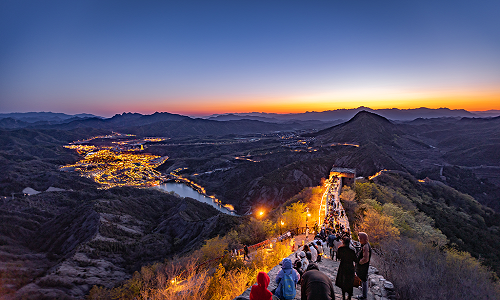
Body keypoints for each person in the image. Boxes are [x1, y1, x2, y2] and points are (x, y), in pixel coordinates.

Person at [355, 232, 372, 300]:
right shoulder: (365, 244)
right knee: (363, 278)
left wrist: (359, 262)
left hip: (363, 266)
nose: (359, 239)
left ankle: (364, 295)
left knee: (364, 279)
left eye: (360, 238)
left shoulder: (366, 247)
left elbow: (365, 258)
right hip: (363, 265)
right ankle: (363, 289)